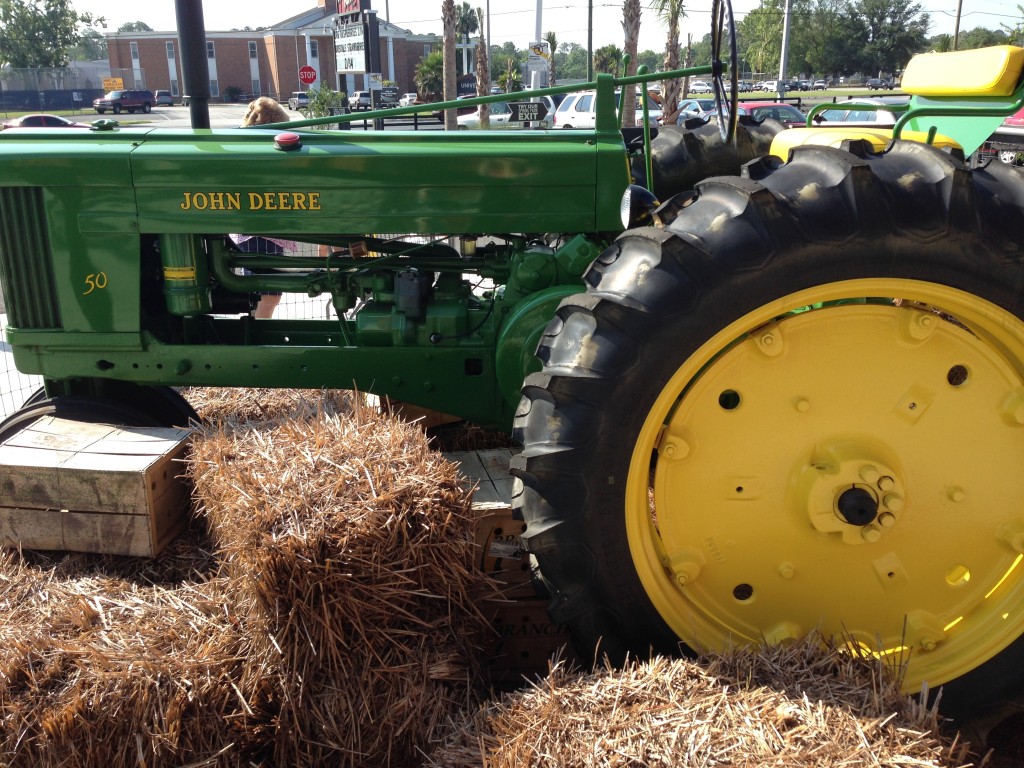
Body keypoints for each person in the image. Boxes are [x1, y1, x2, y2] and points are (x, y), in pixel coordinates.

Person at [230, 97, 297, 318]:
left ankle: (257, 326)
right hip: (261, 231)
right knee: (268, 292)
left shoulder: (244, 149)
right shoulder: (269, 150)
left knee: (263, 289)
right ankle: (259, 332)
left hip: (258, 230)